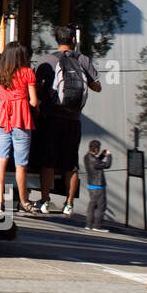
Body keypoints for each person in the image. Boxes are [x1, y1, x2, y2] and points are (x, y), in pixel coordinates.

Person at [33, 25, 102, 214]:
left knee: (48, 160)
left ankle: (45, 200)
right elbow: (97, 87)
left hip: (51, 117)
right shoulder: (83, 60)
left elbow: (36, 86)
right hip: (73, 119)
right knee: (71, 162)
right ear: (74, 41)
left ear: (57, 40)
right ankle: (69, 204)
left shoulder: (48, 60)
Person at [0, 41, 40, 214]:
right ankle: (23, 201)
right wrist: (37, 102)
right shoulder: (27, 73)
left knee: (1, 158)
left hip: (2, 118)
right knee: (21, 164)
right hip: (21, 118)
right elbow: (33, 101)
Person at [82, 140, 113, 232]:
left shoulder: (87, 157)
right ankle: (97, 226)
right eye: (98, 149)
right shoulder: (94, 160)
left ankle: (88, 225)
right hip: (98, 186)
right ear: (96, 149)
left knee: (92, 206)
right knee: (100, 206)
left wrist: (102, 155)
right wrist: (109, 155)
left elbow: (97, 162)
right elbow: (107, 165)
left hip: (91, 185)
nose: (99, 150)